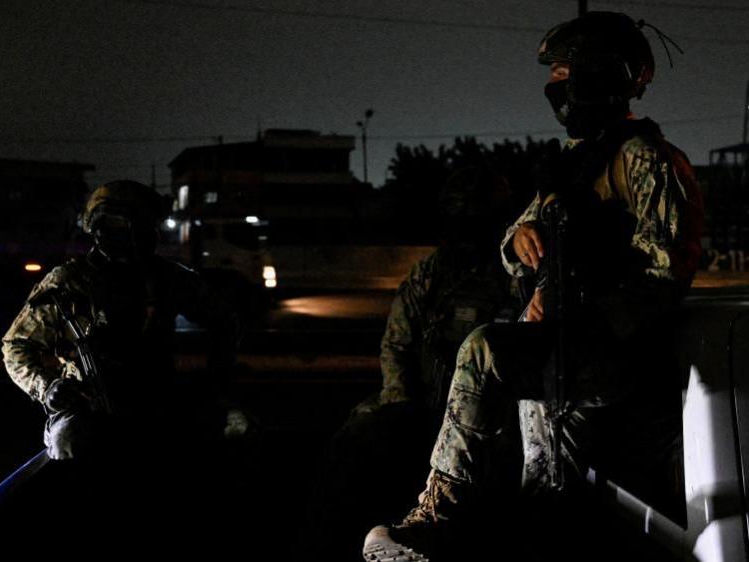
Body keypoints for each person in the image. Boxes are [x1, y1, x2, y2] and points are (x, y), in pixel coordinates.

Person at [363, 11, 704, 561]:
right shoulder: (575, 162)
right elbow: (515, 241)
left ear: (602, 73)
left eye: (568, 71)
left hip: (602, 357)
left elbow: (664, 273)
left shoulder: (646, 159)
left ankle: (437, 513)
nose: (556, 85)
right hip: (559, 354)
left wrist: (583, 313)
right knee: (543, 494)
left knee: (484, 353)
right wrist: (520, 239)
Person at [0, 179, 242, 555]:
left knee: (225, 446)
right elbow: (17, 346)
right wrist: (46, 388)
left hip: (158, 399)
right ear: (97, 229)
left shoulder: (168, 277)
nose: (130, 235)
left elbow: (225, 322)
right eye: (117, 225)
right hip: (89, 404)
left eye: (139, 226)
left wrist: (214, 383)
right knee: (68, 448)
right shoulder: (69, 282)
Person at [300, 167, 522, 560]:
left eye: (474, 214)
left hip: (487, 416)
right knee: (354, 437)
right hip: (420, 402)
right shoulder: (430, 275)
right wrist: (402, 406)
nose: (464, 225)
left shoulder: (513, 277)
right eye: (457, 213)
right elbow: (397, 344)